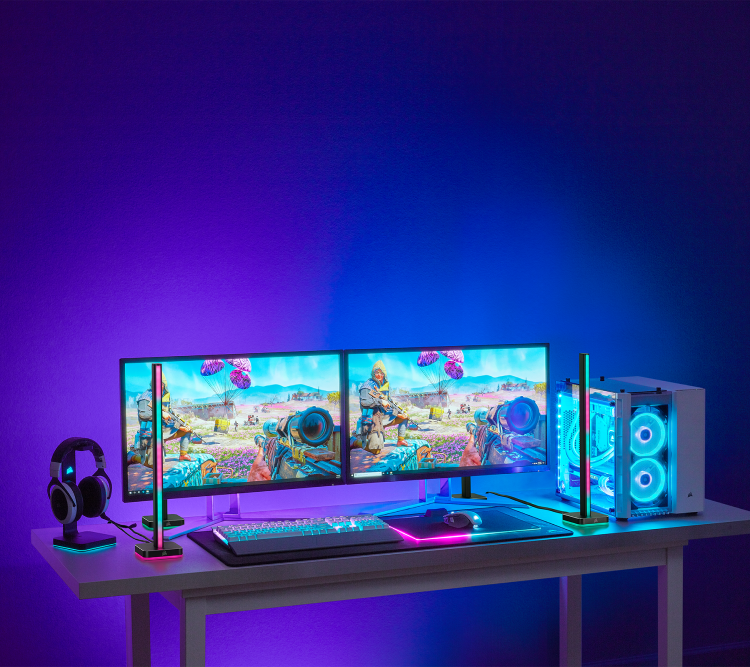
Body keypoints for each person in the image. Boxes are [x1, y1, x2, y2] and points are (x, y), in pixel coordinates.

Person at [132, 372, 192, 468]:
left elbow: (170, 414)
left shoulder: (163, 396)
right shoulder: (145, 397)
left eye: (161, 384)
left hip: (164, 429)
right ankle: (133, 457)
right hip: (151, 433)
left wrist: (180, 426)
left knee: (187, 430)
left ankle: (183, 454)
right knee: (156, 465)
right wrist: (161, 414)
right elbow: (143, 415)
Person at [357, 360, 409, 455]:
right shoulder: (367, 386)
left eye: (381, 373)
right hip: (371, 419)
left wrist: (398, 412)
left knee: (405, 416)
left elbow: (388, 403)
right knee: (376, 450)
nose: (379, 375)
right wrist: (381, 402)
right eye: (377, 372)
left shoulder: (382, 386)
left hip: (382, 416)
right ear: (373, 373)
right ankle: (355, 442)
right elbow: (364, 402)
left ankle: (400, 440)